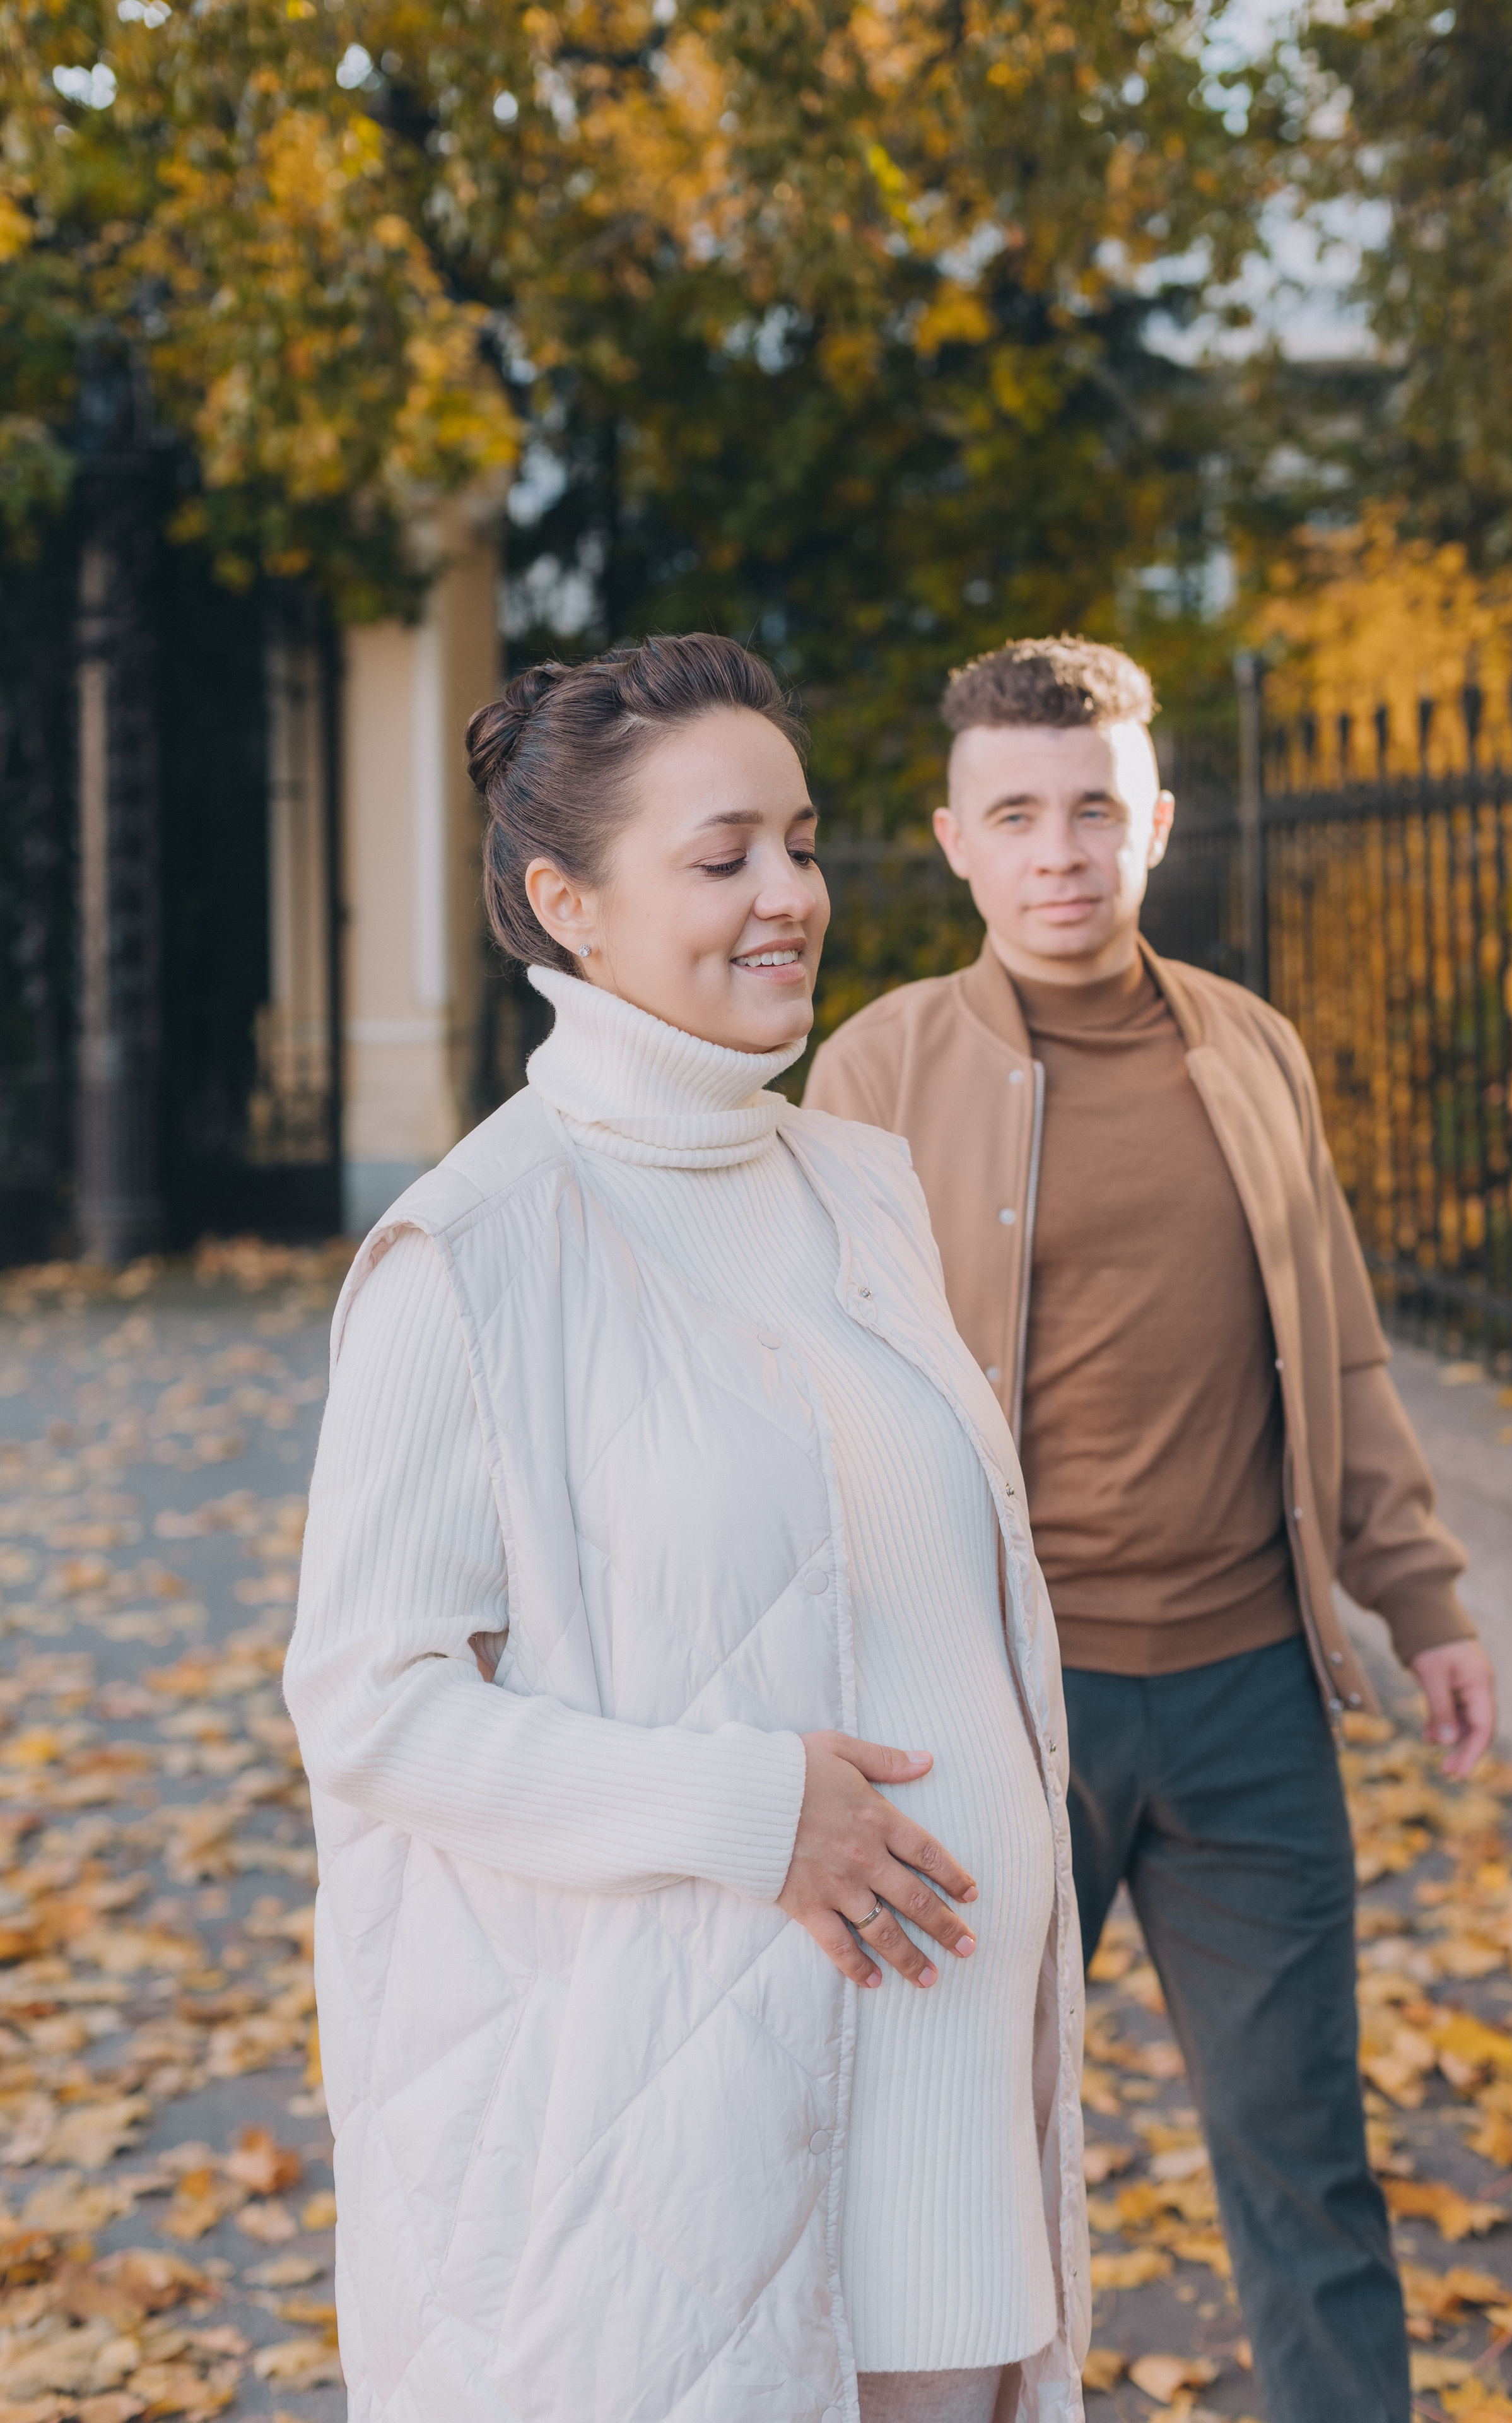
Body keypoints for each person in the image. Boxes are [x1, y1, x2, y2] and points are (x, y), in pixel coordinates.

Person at [282, 634, 1087, 2423]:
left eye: (799, 843)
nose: (791, 894)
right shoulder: (470, 1253)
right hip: (689, 2151)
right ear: (567, 903)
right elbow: (368, 1702)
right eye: (723, 860)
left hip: (953, 2115)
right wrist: (747, 1811)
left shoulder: (855, 1183)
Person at [804, 634, 1498, 2423]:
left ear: (1157, 825)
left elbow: (1333, 1333)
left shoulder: (1252, 1052)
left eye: (1094, 812)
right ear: (952, 840)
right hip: (995, 1718)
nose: (1060, 852)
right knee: (955, 2174)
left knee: (1306, 2166)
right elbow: (806, 1408)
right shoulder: (874, 1079)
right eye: (1017, 815)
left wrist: (1421, 1597)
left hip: (1254, 1697)